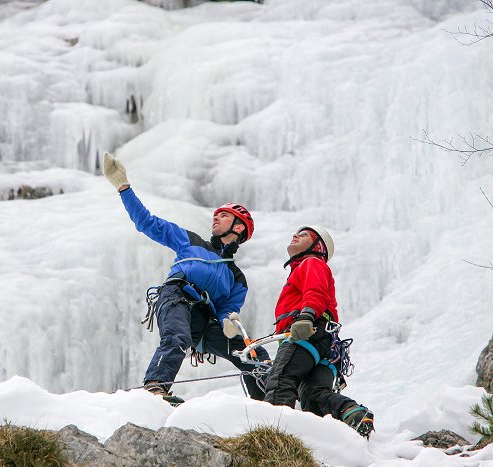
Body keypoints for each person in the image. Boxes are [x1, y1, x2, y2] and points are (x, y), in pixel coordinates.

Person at [101, 152, 269, 402]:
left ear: (239, 227)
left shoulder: (237, 278)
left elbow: (228, 309)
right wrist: (124, 188)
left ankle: (268, 400)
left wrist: (227, 321)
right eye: (216, 214)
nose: (216, 217)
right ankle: (155, 387)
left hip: (205, 318)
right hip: (176, 296)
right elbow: (147, 223)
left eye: (224, 215)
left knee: (251, 352)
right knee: (177, 337)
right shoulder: (190, 241)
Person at [263, 226, 375, 437]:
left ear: (318, 247)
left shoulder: (311, 263)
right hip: (326, 343)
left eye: (304, 235)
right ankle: (351, 412)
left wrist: (306, 316)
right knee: (314, 397)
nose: (295, 235)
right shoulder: (307, 266)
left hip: (307, 332)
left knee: (280, 381)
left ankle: (274, 439)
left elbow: (316, 292)